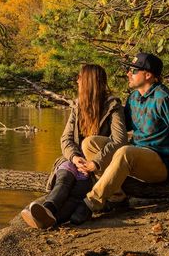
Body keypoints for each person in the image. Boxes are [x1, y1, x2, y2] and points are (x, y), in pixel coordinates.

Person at [71, 52, 169, 225]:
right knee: (90, 143)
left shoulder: (166, 99)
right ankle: (118, 198)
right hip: (135, 154)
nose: (127, 74)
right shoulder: (134, 98)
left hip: (160, 163)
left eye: (133, 70)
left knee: (125, 151)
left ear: (148, 75)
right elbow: (119, 130)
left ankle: (92, 202)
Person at [21, 64, 127, 229]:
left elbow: (119, 140)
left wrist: (95, 163)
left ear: (89, 81)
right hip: (78, 161)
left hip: (99, 166)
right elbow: (66, 138)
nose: (77, 81)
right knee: (65, 175)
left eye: (80, 77)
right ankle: (48, 210)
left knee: (79, 188)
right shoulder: (78, 106)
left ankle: (51, 218)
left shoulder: (113, 105)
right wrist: (75, 157)